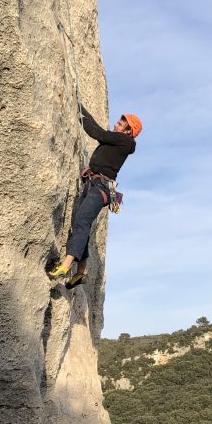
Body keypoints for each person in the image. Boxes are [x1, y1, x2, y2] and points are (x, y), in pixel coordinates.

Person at [47, 105, 141, 287]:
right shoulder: (117, 140)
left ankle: (65, 265)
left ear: (128, 130)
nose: (116, 124)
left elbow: (96, 132)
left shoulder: (125, 142)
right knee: (81, 224)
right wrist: (79, 106)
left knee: (82, 222)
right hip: (93, 185)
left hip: (101, 188)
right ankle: (81, 271)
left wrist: (80, 114)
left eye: (121, 123)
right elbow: (98, 129)